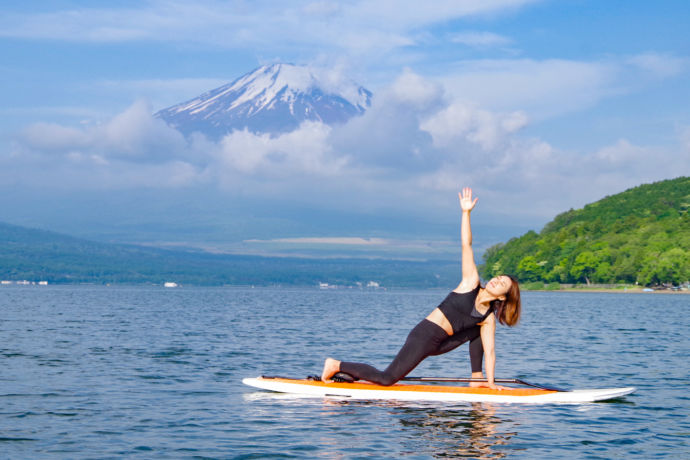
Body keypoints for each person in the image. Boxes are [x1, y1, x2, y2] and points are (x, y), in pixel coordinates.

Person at [321, 187, 521, 389]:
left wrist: (491, 383)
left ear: (503, 298)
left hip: (442, 344)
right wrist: (465, 213)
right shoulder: (471, 283)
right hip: (425, 336)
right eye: (498, 277)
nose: (496, 280)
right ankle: (336, 364)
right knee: (387, 378)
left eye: (502, 284)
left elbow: (491, 351)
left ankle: (477, 378)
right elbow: (466, 245)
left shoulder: (487, 318)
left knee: (479, 329)